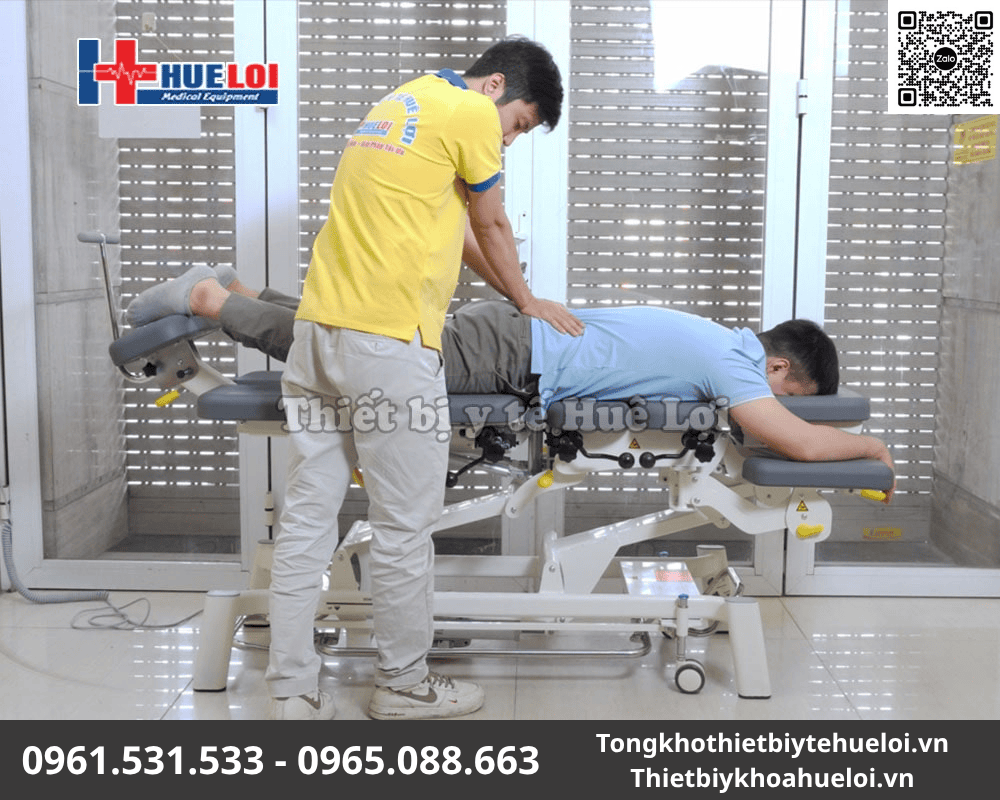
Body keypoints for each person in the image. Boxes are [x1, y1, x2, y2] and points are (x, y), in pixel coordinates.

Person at [267, 38, 582, 721]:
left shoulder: (399, 104)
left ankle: (292, 690)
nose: (510, 140)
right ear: (496, 87)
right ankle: (403, 686)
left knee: (307, 522)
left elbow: (464, 233)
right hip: (386, 347)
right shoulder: (469, 112)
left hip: (317, 338)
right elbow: (491, 221)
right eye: (519, 124)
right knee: (403, 528)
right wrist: (527, 302)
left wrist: (516, 292)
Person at [128, 265, 897, 499]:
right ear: (777, 367)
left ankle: (245, 296)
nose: (774, 406)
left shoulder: (714, 339)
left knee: (360, 337)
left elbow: (781, 428)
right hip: (507, 355)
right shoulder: (734, 363)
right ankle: (216, 302)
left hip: (510, 343)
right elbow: (792, 441)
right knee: (360, 354)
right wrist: (871, 449)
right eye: (788, 396)